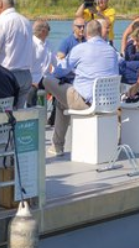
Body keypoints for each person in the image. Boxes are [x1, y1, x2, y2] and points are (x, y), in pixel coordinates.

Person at [43, 20, 119, 157]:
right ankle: (57, 145)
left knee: (47, 80)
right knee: (62, 102)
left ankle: (57, 146)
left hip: (87, 102)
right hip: (109, 101)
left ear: (85, 33)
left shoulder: (80, 48)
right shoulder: (111, 50)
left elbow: (60, 71)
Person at [0, 0, 35, 108]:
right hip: (25, 74)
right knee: (18, 116)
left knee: (3, 116)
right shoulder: (25, 21)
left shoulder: (2, 21)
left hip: (8, 74)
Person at [29, 19, 54, 107]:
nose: (49, 32)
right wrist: (30, 81)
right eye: (49, 30)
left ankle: (50, 118)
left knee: (60, 89)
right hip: (33, 81)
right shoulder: (30, 44)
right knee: (32, 94)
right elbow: (25, 65)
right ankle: (32, 116)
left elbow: (55, 61)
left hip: (46, 80)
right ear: (44, 31)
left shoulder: (48, 43)